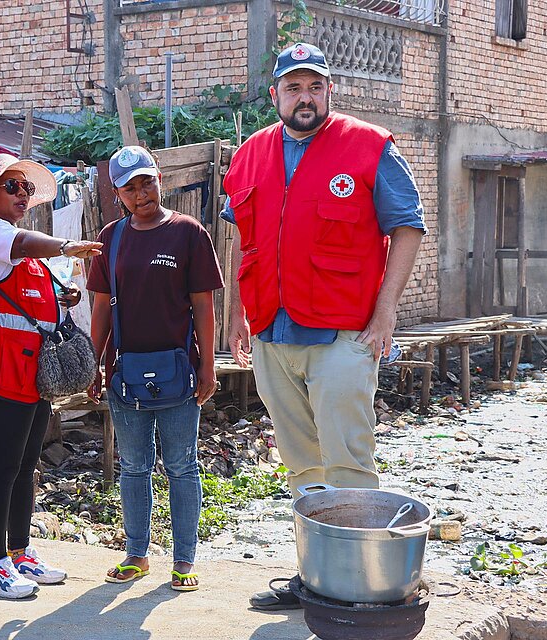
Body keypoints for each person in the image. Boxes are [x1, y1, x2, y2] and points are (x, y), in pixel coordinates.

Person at [223, 43, 425, 611]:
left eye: (314, 87)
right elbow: (245, 236)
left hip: (345, 331)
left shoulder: (369, 146)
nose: (304, 97)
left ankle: (360, 583)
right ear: (275, 95)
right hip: (271, 331)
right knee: (301, 461)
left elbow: (407, 226)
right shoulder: (251, 152)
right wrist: (241, 310)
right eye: (293, 87)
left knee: (347, 456)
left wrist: (387, 313)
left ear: (329, 91)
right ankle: (317, 575)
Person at [0, 154, 102, 599]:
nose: (23, 195)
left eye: (26, 189)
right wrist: (66, 247)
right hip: (1, 368)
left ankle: (19, 552)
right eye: (12, 188)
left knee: (24, 464)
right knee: (2, 466)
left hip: (31, 372)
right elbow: (22, 245)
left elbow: (34, 296)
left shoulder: (17, 245)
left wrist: (65, 296)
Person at [87, 146, 223, 593]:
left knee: (182, 466)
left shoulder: (188, 232)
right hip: (125, 371)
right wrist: (94, 361)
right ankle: (136, 555)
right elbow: (102, 306)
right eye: (130, 187)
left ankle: (184, 560)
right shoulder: (111, 238)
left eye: (146, 181)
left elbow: (204, 306)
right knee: (134, 467)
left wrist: (207, 365)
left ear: (159, 178)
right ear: (117, 192)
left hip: (178, 370)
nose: (141, 193)